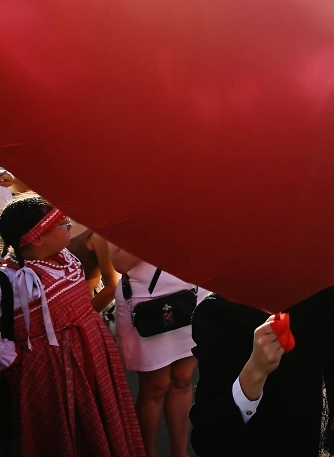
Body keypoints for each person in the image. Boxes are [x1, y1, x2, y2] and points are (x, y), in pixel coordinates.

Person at [0, 196, 145, 456]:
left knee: (98, 412)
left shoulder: (64, 256)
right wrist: (9, 357)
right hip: (49, 368)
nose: (69, 226)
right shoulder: (11, 280)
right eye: (61, 223)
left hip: (92, 351)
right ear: (36, 238)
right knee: (63, 428)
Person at [189, 285, 334, 456]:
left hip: (332, 439)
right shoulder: (218, 312)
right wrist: (255, 371)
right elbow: (209, 437)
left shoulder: (317, 281)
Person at [110, 242, 201, 457]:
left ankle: (180, 453)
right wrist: (158, 230)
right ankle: (146, 452)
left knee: (183, 379)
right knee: (155, 386)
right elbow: (120, 263)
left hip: (192, 293)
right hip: (145, 303)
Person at [68, 221, 120, 312]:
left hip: (84, 306)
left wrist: (84, 315)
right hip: (57, 305)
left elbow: (113, 286)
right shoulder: (62, 220)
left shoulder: (98, 235)